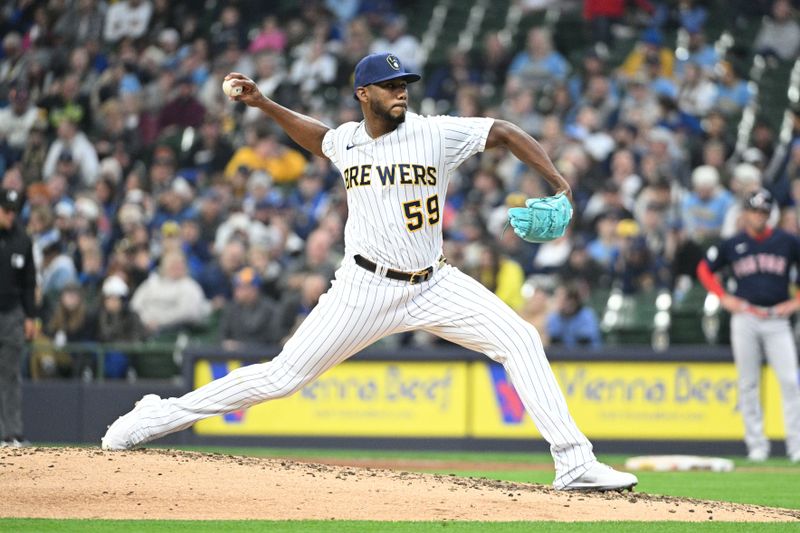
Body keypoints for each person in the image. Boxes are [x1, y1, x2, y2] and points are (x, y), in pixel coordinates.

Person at [102, 52, 638, 491]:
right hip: (363, 286)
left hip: (434, 281)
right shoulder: (348, 141)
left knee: (520, 338)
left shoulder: (434, 133)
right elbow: (317, 138)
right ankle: (158, 414)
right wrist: (264, 103)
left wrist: (558, 183)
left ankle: (573, 462)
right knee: (282, 377)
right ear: (364, 94)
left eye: (404, 83)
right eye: (389, 85)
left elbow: (504, 131)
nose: (401, 91)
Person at [697, 189, 800, 463]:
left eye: (764, 212)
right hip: (746, 316)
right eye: (755, 211)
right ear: (746, 213)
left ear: (770, 214)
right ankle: (757, 446)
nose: (759, 216)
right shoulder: (733, 243)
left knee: (790, 381)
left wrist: (796, 302)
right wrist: (723, 298)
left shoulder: (787, 241)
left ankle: (796, 446)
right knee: (748, 383)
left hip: (777, 317)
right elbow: (704, 269)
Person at [0, 189, 36, 447]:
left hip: (12, 313)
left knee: (11, 373)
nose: (10, 215)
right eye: (6, 209)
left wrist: (30, 316)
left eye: (14, 210)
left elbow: (29, 282)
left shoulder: (23, 241)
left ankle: (11, 433)